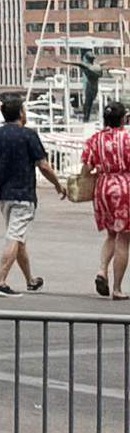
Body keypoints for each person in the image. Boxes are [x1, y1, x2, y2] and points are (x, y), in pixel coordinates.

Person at [0, 93, 57, 296]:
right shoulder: (28, 135)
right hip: (23, 194)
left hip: (3, 195)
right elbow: (43, 165)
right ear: (21, 114)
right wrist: (58, 184)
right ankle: (0, 281)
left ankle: (30, 280)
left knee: (17, 236)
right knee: (14, 236)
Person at [84, 100, 130, 298]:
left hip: (103, 187)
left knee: (111, 233)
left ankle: (102, 269)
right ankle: (118, 288)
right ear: (123, 119)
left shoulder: (95, 139)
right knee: (124, 237)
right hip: (124, 187)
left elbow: (87, 167)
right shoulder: (127, 139)